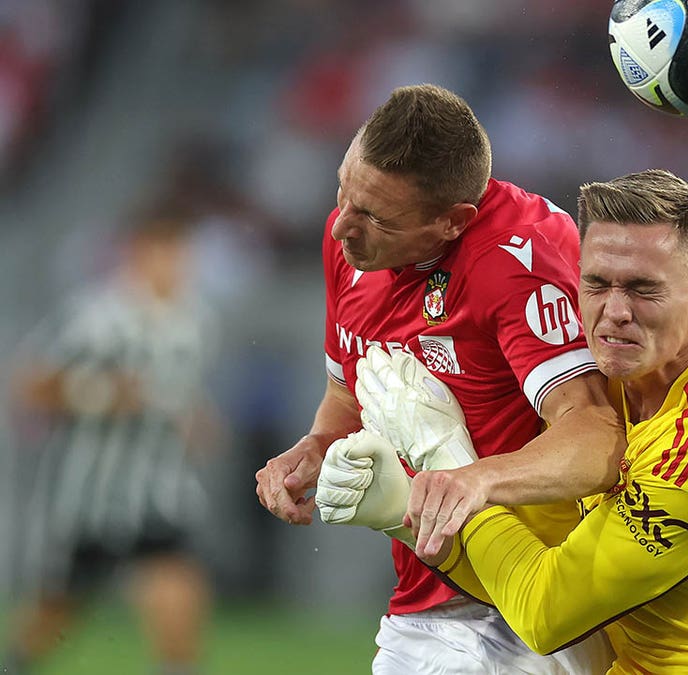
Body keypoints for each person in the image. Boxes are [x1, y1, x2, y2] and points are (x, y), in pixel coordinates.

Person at [331, 169, 688, 673]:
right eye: (597, 284)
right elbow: (514, 570)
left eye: (642, 289)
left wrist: (444, 454)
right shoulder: (593, 391)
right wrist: (408, 513)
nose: (614, 312)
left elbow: (545, 613)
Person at [253, 84, 622, 673]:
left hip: (529, 607)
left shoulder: (515, 261)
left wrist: (471, 480)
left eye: (374, 216)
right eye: (343, 189)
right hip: (425, 594)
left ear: (453, 222)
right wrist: (314, 449)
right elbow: (347, 392)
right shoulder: (350, 246)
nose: (343, 226)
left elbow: (597, 435)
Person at [4, 211, 215, 675]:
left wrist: (194, 421)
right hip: (89, 495)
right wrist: (102, 394)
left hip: (159, 488)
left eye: (182, 254)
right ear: (139, 253)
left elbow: (174, 392)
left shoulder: (194, 320)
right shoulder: (97, 316)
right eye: (166, 252)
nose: (176, 265)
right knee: (57, 609)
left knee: (178, 587)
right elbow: (31, 386)